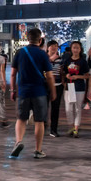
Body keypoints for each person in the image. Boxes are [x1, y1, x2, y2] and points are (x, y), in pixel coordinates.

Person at [9, 29, 55, 159]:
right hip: (39, 92)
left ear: (27, 38)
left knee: (21, 119)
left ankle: (18, 142)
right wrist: (53, 92)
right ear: (40, 40)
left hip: (23, 92)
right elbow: (50, 76)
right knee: (39, 121)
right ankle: (38, 150)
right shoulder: (42, 54)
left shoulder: (19, 52)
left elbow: (13, 73)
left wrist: (13, 90)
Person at [63, 41, 91, 138]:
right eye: (74, 47)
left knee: (78, 108)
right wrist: (66, 75)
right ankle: (70, 127)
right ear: (71, 49)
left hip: (79, 88)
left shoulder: (83, 61)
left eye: (77, 48)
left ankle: (76, 129)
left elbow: (87, 76)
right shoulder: (67, 60)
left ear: (80, 49)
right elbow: (64, 72)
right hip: (68, 87)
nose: (75, 50)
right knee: (68, 109)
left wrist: (78, 77)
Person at [46, 40, 64, 137]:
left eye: (56, 46)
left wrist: (63, 83)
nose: (54, 48)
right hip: (45, 86)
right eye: (52, 46)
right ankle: (42, 126)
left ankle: (53, 129)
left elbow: (61, 71)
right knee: (44, 107)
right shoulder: (43, 57)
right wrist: (51, 59)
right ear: (48, 47)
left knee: (55, 108)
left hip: (58, 86)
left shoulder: (60, 59)